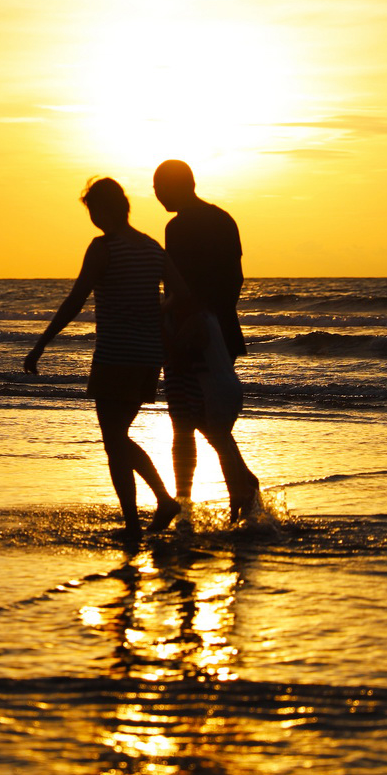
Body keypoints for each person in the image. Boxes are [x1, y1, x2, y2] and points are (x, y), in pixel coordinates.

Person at [24, 177, 183, 542]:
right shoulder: (151, 247)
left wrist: (41, 344)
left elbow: (76, 299)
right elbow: (181, 293)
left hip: (115, 355)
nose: (93, 219)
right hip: (148, 357)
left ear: (104, 209)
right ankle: (153, 509)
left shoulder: (104, 247)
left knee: (114, 440)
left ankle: (146, 515)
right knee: (117, 437)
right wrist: (155, 310)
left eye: (93, 211)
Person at [153, 160, 260, 524]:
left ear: (180, 185)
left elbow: (180, 286)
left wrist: (188, 323)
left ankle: (196, 498)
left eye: (160, 188)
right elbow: (235, 279)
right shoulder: (223, 219)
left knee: (187, 422)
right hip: (221, 329)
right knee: (208, 418)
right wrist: (214, 317)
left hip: (192, 330)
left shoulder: (178, 227)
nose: (157, 195)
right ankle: (232, 488)